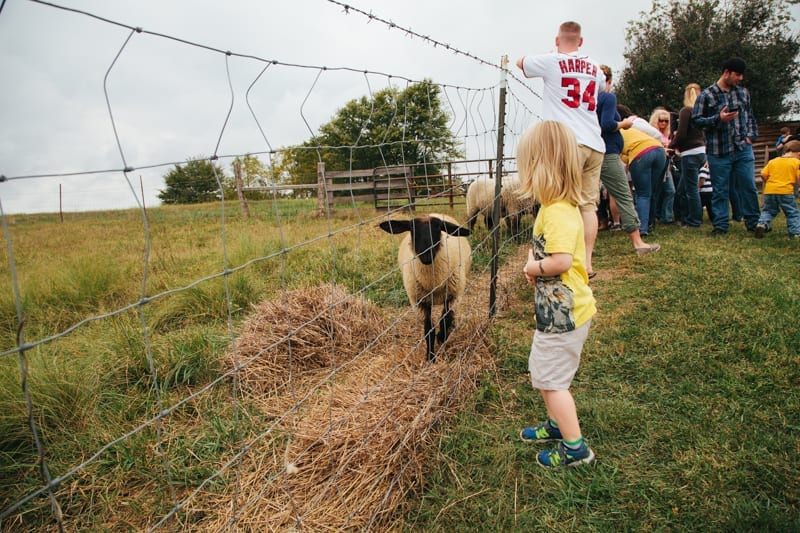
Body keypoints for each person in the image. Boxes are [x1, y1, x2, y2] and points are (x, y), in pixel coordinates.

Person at [516, 120, 596, 468]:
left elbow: (561, 260)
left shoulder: (559, 212)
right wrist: (534, 260)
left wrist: (534, 268)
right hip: (556, 313)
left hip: (564, 317)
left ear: (542, 168)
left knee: (551, 382)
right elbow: (549, 251)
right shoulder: (554, 209)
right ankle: (555, 425)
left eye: (527, 168)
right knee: (544, 373)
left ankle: (575, 448)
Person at [516, 20, 606, 277]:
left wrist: (552, 55)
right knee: (588, 205)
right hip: (594, 141)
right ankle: (586, 263)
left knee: (559, 199)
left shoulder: (552, 60)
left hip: (566, 142)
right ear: (581, 42)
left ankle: (557, 255)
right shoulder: (595, 66)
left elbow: (521, 62)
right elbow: (601, 87)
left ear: (557, 41)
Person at [692, 57, 760, 235]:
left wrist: (751, 137)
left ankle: (753, 222)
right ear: (726, 72)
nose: (740, 78)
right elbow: (696, 122)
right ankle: (721, 225)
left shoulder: (743, 93)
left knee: (748, 185)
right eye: (737, 74)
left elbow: (750, 116)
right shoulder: (706, 95)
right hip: (718, 150)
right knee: (720, 189)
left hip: (742, 148)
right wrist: (718, 119)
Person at [596, 64, 660, 254]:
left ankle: (581, 247)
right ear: (607, 81)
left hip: (592, 151)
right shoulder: (607, 97)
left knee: (587, 200)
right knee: (624, 194)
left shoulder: (585, 101)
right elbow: (607, 124)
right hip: (607, 153)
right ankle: (638, 242)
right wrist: (623, 123)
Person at [618, 105, 669, 236]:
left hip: (641, 154)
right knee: (651, 191)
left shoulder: (618, 133)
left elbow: (621, 156)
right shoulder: (637, 130)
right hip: (659, 151)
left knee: (642, 194)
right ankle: (651, 222)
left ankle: (642, 228)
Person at [670, 83, 707, 228]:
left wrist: (671, 145)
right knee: (683, 188)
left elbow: (682, 134)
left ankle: (694, 221)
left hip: (689, 153)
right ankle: (684, 216)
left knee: (691, 189)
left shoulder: (686, 111)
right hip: (700, 151)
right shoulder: (702, 113)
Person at [754, 139, 800, 238]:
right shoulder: (796, 162)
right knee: (792, 212)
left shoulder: (773, 161)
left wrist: (769, 183)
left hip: (770, 190)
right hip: (785, 191)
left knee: (768, 210)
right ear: (798, 153)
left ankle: (762, 224)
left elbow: (763, 174)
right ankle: (795, 232)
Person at [650, 108, 677, 225]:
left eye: (666, 121)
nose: (664, 123)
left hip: (667, 165)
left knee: (670, 190)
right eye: (661, 120)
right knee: (656, 191)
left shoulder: (667, 134)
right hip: (655, 164)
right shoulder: (651, 132)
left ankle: (666, 217)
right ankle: (655, 216)